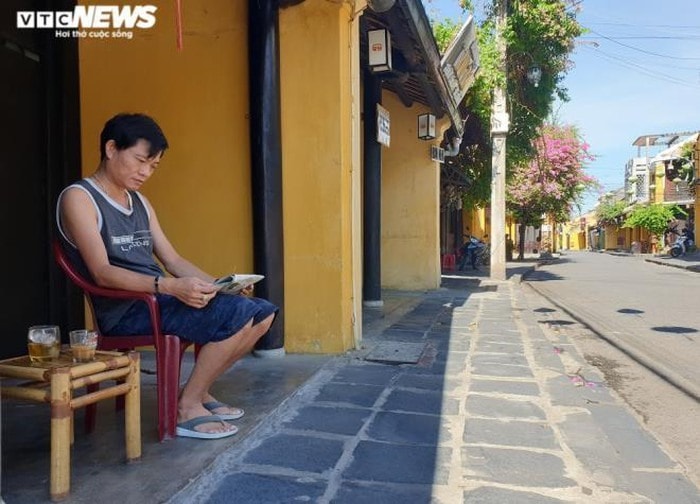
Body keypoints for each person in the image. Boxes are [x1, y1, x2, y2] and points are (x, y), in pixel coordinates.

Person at [56, 113, 278, 439]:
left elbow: (172, 259)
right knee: (238, 315)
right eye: (140, 161)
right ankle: (186, 407)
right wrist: (170, 287)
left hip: (159, 296)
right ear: (111, 148)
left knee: (262, 312)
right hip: (127, 310)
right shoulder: (79, 197)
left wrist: (220, 284)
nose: (145, 172)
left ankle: (198, 392)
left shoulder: (140, 202)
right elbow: (102, 273)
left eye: (153, 166)